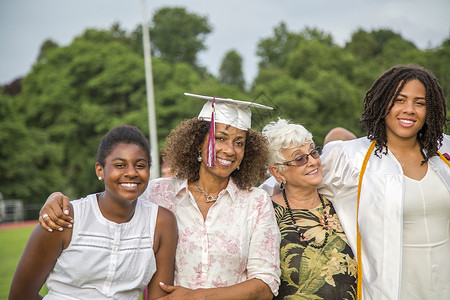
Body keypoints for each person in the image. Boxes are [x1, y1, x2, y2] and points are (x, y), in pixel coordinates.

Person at [38, 93, 281, 299]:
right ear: (198, 143)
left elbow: (266, 283)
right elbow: (107, 205)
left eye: (239, 143)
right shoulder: (156, 193)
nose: (230, 149)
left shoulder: (255, 202)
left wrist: (194, 296)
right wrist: (56, 197)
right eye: (220, 138)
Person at [319, 65, 450, 299]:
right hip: (389, 291)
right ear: (382, 103)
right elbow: (291, 184)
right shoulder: (351, 157)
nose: (409, 110)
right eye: (400, 100)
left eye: (419, 103)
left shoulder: (445, 152)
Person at [9, 125, 177, 299]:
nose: (131, 173)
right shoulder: (64, 217)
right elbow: (20, 296)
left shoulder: (161, 222)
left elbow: (160, 298)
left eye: (140, 165)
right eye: (120, 165)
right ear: (100, 170)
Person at [262, 119, 357, 299]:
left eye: (313, 152)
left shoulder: (340, 203)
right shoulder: (265, 212)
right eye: (300, 159)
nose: (313, 161)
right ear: (278, 172)